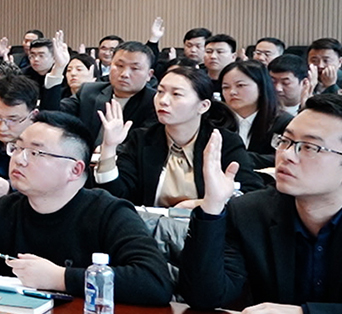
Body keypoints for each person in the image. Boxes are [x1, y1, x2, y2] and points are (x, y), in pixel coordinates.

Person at [0, 109, 172, 304]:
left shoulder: (109, 212)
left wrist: (59, 278)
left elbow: (154, 282)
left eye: (36, 153)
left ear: (75, 169)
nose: (19, 159)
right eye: (17, 148)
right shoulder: (6, 209)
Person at [179, 95, 342, 314]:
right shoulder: (250, 212)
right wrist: (212, 207)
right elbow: (204, 297)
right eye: (285, 141)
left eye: (310, 147)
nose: (287, 155)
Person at [94, 65, 266, 208]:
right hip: (151, 230)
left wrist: (204, 203)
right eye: (160, 92)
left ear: (203, 106)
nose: (163, 100)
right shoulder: (142, 139)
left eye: (176, 94)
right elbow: (117, 195)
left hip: (206, 228)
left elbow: (251, 191)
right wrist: (109, 148)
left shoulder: (223, 141)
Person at [44, 40, 156, 147]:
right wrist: (58, 70)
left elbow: (145, 143)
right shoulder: (89, 91)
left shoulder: (154, 102)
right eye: (119, 66)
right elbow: (51, 115)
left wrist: (107, 150)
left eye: (135, 68)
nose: (124, 74)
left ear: (149, 75)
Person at [219, 59, 288, 165]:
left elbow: (281, 156)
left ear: (261, 87)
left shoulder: (283, 122)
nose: (232, 92)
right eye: (226, 87)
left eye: (240, 85)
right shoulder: (216, 121)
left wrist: (237, 157)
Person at [267, 54, 311, 118]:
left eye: (285, 83)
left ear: (304, 83)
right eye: (273, 82)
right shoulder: (261, 109)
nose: (278, 88)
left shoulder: (314, 111)